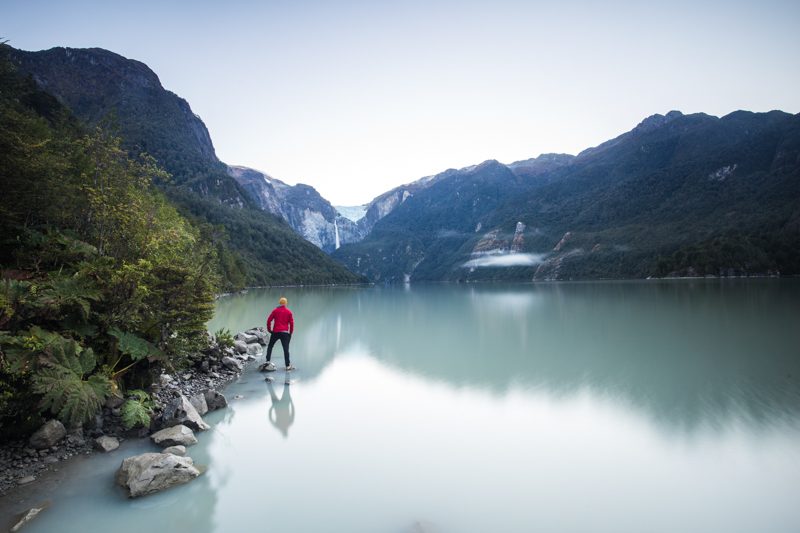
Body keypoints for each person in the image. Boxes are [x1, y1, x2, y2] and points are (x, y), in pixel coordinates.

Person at [262, 296, 295, 372]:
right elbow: (292, 323)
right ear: (286, 303)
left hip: (275, 332)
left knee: (270, 346)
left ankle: (267, 361)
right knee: (286, 349)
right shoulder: (289, 312)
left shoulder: (275, 311)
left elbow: (269, 320)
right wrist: (290, 333)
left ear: (280, 303)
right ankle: (287, 365)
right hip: (285, 333)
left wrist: (269, 330)